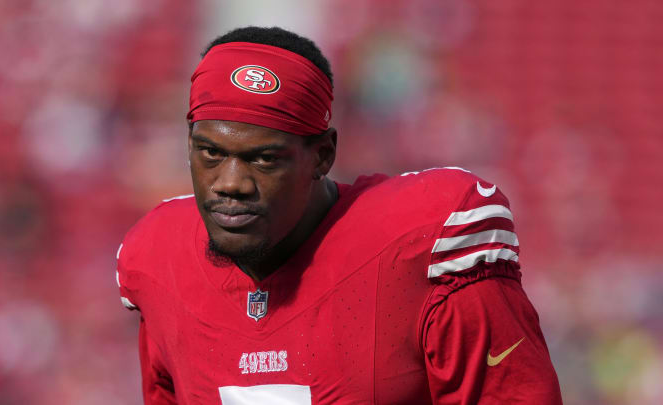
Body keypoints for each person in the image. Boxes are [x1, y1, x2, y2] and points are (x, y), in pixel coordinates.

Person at [116, 26, 562, 404]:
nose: (230, 182)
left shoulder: (421, 244)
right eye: (210, 152)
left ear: (323, 155)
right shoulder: (157, 259)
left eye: (265, 159)